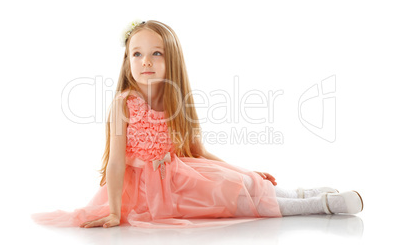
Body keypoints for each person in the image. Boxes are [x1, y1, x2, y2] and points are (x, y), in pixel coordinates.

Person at [30, 20, 363, 229]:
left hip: (179, 172)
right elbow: (117, 162)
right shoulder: (123, 104)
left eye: (156, 53)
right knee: (230, 197)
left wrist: (243, 169)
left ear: (171, 59)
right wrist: (115, 210)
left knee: (238, 180)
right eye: (137, 54)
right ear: (127, 60)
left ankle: (301, 191)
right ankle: (319, 205)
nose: (146, 61)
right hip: (147, 192)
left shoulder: (176, 100)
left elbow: (197, 150)